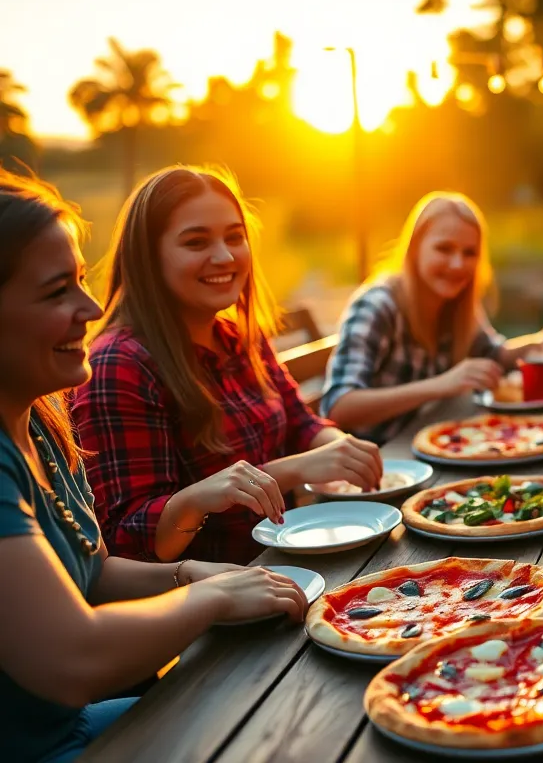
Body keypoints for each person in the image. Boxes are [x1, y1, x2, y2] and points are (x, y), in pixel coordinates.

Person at [0, 171, 307, 763]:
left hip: (68, 726)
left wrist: (197, 576)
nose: (90, 309)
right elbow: (74, 661)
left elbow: (91, 573)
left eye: (82, 282)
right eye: (55, 291)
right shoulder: (116, 367)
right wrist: (210, 601)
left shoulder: (40, 417)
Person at [71, 166, 383, 566]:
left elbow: (298, 421)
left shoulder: (237, 336)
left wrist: (341, 448)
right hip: (212, 600)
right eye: (196, 242)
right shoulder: (119, 366)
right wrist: (290, 471)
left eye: (234, 237)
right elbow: (127, 542)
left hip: (293, 558)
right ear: (148, 257)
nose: (224, 256)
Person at [322, 192, 543, 444]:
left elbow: (495, 356)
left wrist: (539, 343)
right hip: (381, 461)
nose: (458, 264)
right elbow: (339, 407)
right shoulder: (376, 305)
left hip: (440, 443)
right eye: (444, 248)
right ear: (415, 248)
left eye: (469, 252)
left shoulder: (457, 304)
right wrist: (441, 385)